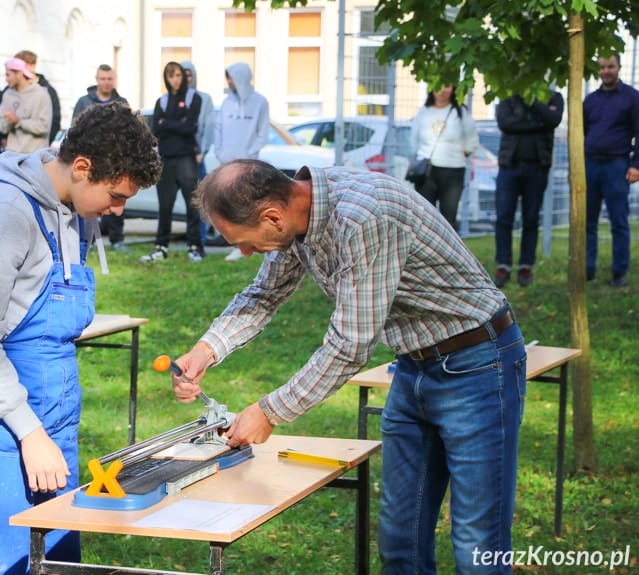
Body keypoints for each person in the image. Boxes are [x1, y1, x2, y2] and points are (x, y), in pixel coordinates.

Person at [171, 160, 526, 575]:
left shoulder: (364, 216)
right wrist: (205, 349)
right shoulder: (297, 218)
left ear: (271, 216)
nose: (246, 253)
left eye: (245, 242)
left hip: (479, 366)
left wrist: (269, 412)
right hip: (414, 368)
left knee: (476, 545)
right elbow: (263, 295)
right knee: (400, 540)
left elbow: (350, 345)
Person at [0, 101, 161, 575]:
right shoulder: (4, 213)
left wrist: (47, 434)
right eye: (116, 195)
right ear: (82, 168)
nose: (119, 210)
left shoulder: (77, 210)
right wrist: (30, 433)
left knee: (55, 562)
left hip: (57, 417)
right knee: (1, 560)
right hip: (8, 422)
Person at [492, 91, 564, 287]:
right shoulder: (508, 96)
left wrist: (533, 103)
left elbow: (553, 119)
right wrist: (538, 121)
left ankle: (525, 266)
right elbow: (505, 123)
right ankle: (503, 266)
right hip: (510, 166)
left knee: (530, 219)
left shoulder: (553, 97)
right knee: (503, 217)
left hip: (537, 167)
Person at [583, 53, 639, 288]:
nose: (606, 71)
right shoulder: (590, 100)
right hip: (590, 165)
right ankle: (587, 269)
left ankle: (619, 272)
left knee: (618, 221)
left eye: (611, 66)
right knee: (587, 222)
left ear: (619, 67)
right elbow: (583, 132)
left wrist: (636, 165)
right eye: (603, 67)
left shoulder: (632, 98)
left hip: (617, 165)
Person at [140, 61, 203, 263]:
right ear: (166, 79)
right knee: (164, 206)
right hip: (166, 159)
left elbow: (190, 128)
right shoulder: (163, 101)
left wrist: (167, 123)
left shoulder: (195, 98)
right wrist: (177, 124)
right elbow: (156, 130)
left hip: (186, 157)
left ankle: (194, 246)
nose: (175, 79)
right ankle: (161, 247)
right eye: (171, 76)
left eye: (178, 75)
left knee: (192, 204)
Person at [72, 64, 131, 252]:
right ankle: (86, 240)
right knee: (87, 201)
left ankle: (117, 240)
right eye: (103, 79)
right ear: (97, 79)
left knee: (115, 199)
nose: (106, 83)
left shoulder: (122, 102)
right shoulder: (84, 102)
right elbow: (75, 129)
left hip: (114, 160)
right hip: (90, 159)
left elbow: (128, 131)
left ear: (114, 81)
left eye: (110, 79)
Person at [213, 62, 269, 261]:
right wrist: (220, 152)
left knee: (247, 205)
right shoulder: (226, 103)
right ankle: (238, 244)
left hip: (248, 165)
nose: (229, 81)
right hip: (226, 164)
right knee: (229, 204)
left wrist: (250, 154)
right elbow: (218, 129)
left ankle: (248, 244)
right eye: (227, 77)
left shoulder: (260, 102)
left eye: (232, 77)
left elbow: (263, 132)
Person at [410, 85, 478, 230]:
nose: (442, 90)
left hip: (453, 170)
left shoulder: (460, 112)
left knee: (449, 219)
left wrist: (459, 154)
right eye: (439, 86)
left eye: (447, 86)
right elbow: (414, 140)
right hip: (426, 172)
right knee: (425, 217)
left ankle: (448, 252)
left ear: (453, 89)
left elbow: (472, 140)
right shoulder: (424, 111)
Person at [180, 61, 215, 245]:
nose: (186, 78)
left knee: (197, 201)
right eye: (181, 74)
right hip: (176, 159)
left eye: (189, 74)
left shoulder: (204, 99)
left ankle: (198, 241)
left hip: (195, 159)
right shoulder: (169, 98)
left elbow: (209, 127)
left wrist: (202, 151)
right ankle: (162, 245)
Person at [0, 57, 52, 153]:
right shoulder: (7, 94)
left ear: (19, 74)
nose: (6, 79)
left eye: (8, 75)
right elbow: (1, 126)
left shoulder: (41, 94)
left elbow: (44, 127)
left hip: (35, 156)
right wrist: (8, 122)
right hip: (12, 155)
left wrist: (18, 122)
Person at [14, 49, 62, 145]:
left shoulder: (48, 91)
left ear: (31, 65)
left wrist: (46, 142)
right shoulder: (11, 90)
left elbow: (54, 120)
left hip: (37, 148)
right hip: (15, 148)